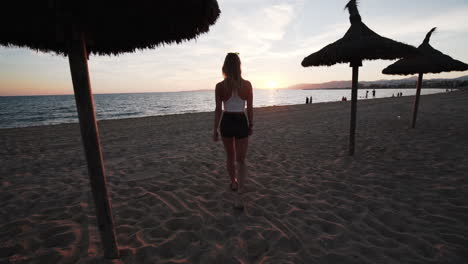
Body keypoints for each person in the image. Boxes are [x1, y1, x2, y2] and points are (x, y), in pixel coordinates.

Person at [213, 53, 253, 208]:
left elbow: (218, 109)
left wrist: (215, 129)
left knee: (230, 156)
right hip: (241, 121)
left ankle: (234, 183)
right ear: (239, 66)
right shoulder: (247, 85)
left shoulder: (220, 86)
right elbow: (249, 108)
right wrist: (251, 125)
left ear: (225, 67)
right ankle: (241, 190)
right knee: (241, 160)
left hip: (227, 121)